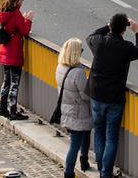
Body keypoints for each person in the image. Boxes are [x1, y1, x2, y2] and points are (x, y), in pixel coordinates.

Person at [87, 13, 138, 178]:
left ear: (110, 27)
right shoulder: (125, 47)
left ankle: (102, 170)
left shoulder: (99, 42)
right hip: (114, 98)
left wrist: (108, 26)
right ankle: (106, 173)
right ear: (124, 30)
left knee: (99, 132)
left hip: (96, 94)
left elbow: (91, 36)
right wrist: (137, 31)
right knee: (111, 137)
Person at [55, 37, 92, 178]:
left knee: (80, 137)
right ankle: (69, 172)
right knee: (75, 145)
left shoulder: (60, 67)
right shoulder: (78, 72)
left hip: (67, 109)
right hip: (79, 112)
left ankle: (83, 161)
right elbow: (85, 95)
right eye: (81, 50)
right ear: (76, 53)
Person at [0, 0, 34, 120]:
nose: (22, 2)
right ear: (17, 0)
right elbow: (24, 32)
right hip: (14, 51)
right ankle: (13, 111)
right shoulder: (16, 13)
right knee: (14, 82)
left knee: (6, 81)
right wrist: (28, 20)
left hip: (4, 50)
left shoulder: (3, 12)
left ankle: (2, 107)